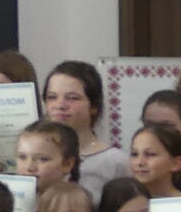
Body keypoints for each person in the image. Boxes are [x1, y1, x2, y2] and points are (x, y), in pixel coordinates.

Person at [43, 60, 128, 197]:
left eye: (72, 98)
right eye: (52, 97)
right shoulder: (32, 157)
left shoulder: (116, 162)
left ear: (93, 106)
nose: (60, 105)